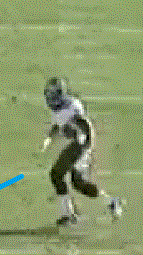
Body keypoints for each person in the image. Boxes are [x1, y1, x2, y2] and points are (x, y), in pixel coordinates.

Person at [41, 78, 124, 227]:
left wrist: (86, 147)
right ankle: (111, 201)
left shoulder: (72, 107)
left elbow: (86, 125)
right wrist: (49, 138)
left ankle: (68, 215)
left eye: (52, 94)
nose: (50, 98)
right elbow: (57, 125)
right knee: (78, 183)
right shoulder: (59, 108)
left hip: (80, 145)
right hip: (78, 145)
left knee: (56, 175)